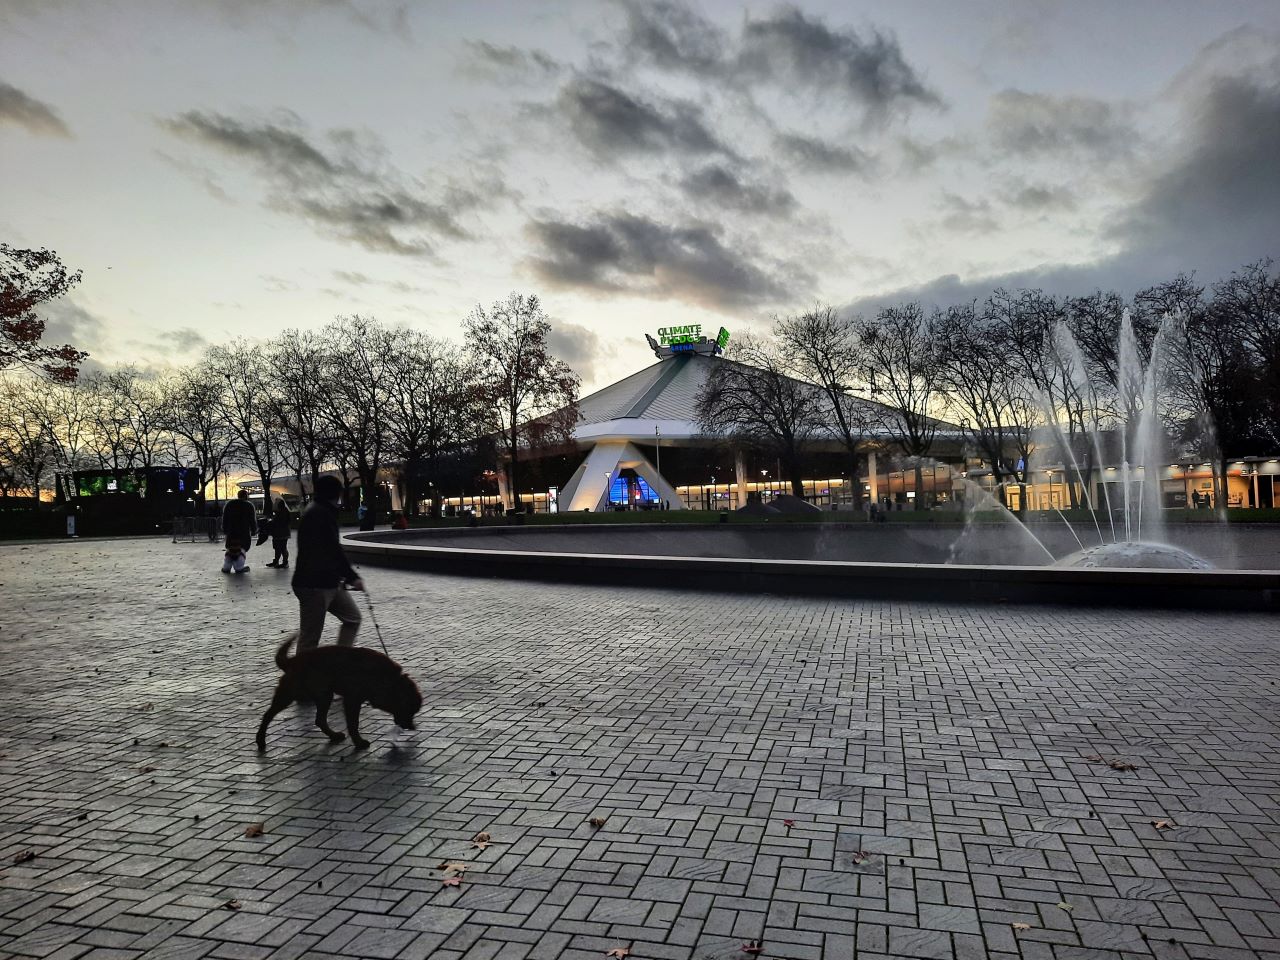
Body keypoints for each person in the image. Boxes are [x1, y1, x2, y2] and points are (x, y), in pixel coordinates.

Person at [292, 474, 363, 650]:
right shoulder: (321, 514)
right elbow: (332, 549)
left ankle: (338, 661)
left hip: (325, 581)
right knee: (310, 637)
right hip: (315, 584)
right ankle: (302, 675)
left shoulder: (318, 510)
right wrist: (352, 576)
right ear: (335, 493)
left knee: (352, 618)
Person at [221, 490, 258, 574]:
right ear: (246, 496)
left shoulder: (229, 504)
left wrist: (224, 529)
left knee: (231, 548)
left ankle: (226, 566)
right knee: (242, 549)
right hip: (243, 532)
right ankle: (239, 567)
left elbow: (225, 518)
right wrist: (254, 530)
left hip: (231, 531)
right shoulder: (249, 505)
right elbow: (252, 520)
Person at [265, 499, 293, 568]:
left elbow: (278, 522)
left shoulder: (282, 512)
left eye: (276, 504)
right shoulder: (281, 511)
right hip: (280, 533)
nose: (274, 505)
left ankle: (285, 563)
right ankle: (276, 561)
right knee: (278, 548)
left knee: (282, 548)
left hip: (281, 533)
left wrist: (271, 521)